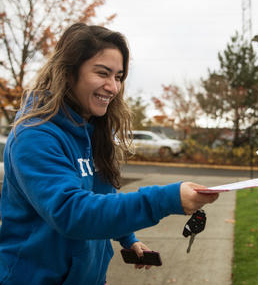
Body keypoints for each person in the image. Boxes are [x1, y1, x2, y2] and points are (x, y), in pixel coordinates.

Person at [0, 23, 218, 284]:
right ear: (68, 73)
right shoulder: (35, 136)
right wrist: (166, 199)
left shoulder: (91, 128)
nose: (113, 87)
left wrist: (128, 238)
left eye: (118, 76)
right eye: (103, 73)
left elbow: (100, 195)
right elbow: (71, 211)